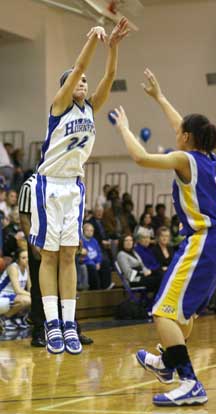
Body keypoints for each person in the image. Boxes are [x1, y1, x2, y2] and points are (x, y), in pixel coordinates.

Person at [111, 68, 216, 406]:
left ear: (187, 138)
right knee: (183, 313)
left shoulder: (185, 158)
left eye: (181, 132)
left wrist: (124, 129)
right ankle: (166, 362)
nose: (176, 132)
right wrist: (160, 97)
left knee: (163, 312)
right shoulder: (207, 157)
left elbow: (141, 157)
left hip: (203, 241)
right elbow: (182, 125)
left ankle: (189, 382)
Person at [29, 19, 129, 355]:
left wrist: (112, 46)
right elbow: (82, 64)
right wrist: (91, 39)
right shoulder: (59, 106)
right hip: (49, 184)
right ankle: (51, 322)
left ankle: (69, 324)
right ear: (67, 86)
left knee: (70, 254)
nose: (83, 83)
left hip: (74, 186)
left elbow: (108, 77)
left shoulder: (90, 107)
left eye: (85, 81)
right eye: (77, 80)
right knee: (50, 256)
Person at [19, 174, 94, 346]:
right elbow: (24, 217)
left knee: (68, 287)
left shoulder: (69, 183)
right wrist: (32, 244)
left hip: (64, 242)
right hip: (41, 243)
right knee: (39, 290)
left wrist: (79, 236)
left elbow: (75, 214)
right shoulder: (30, 185)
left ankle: (72, 329)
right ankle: (39, 331)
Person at [0, 249, 31, 331]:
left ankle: (17, 317)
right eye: (23, 258)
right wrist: (33, 296)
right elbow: (18, 290)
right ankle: (4, 318)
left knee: (33, 300)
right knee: (27, 300)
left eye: (28, 257)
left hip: (13, 297)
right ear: (18, 259)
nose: (26, 260)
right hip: (2, 296)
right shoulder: (13, 268)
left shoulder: (27, 268)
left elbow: (30, 288)